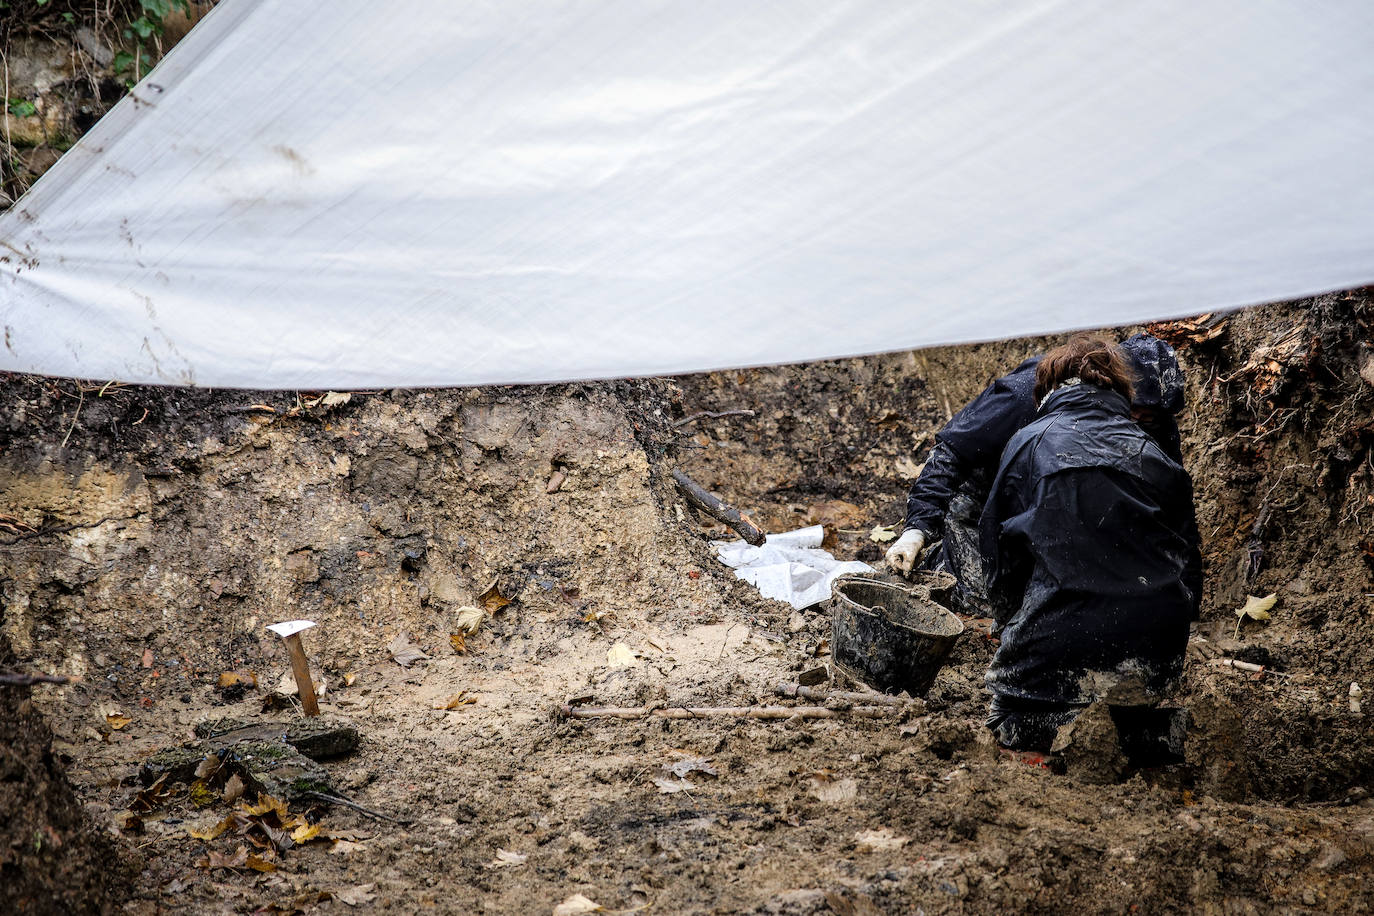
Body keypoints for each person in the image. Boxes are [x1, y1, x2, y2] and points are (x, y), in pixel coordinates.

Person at [978, 336, 1201, 752]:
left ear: (1048, 388)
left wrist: (1010, 623)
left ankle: (1084, 738)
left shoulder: (1028, 442)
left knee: (1007, 718)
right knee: (1127, 698)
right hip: (1156, 650)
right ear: (1119, 391)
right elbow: (1186, 559)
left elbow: (998, 554)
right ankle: (1158, 736)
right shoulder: (1156, 455)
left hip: (1061, 637)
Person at [885, 333, 1194, 617]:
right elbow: (952, 451)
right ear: (1110, 383)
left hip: (1061, 509)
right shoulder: (1029, 395)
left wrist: (1184, 598)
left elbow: (1173, 508)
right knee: (993, 605)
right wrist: (918, 529)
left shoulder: (1152, 422)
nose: (1137, 423)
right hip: (984, 501)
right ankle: (942, 561)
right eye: (1133, 410)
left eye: (1148, 418)